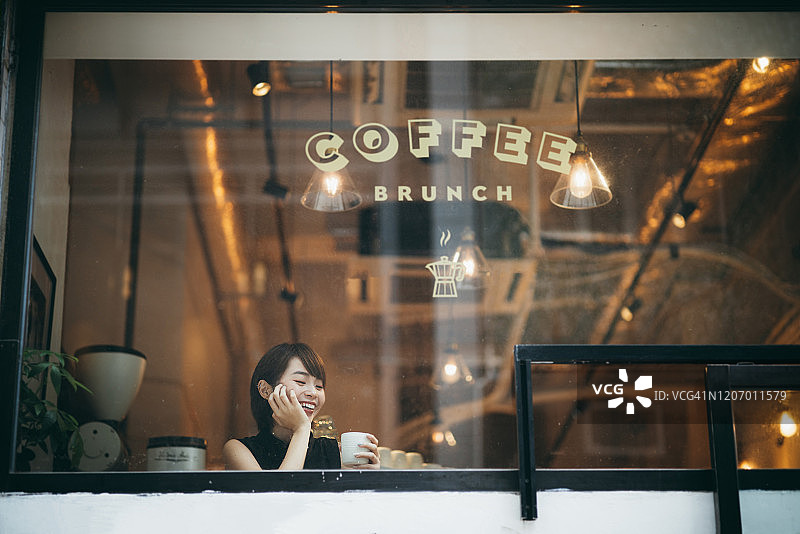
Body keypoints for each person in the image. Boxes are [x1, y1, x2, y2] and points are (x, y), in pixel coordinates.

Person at [223, 342, 380, 470]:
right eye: (300, 382)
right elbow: (278, 498)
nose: (313, 393)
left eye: (319, 386)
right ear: (265, 390)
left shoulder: (334, 452)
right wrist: (302, 428)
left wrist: (371, 477)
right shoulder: (238, 450)